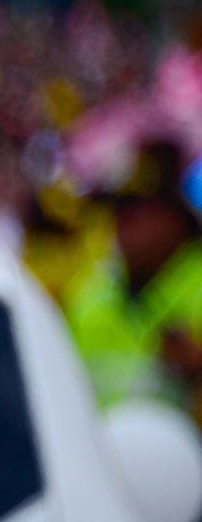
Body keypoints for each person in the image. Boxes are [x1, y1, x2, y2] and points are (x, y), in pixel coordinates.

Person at [61, 142, 202, 419]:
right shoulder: (86, 297)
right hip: (100, 460)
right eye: (116, 212)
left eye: (134, 212)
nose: (121, 225)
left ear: (173, 218)